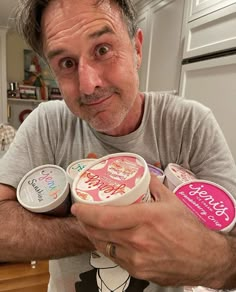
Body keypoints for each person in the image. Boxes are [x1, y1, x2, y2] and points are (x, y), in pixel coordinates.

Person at [0, 0, 236, 291]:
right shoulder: (47, 123)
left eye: (102, 50)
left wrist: (217, 260)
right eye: (66, 63)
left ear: (137, 49)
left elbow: (231, 240)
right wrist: (106, 228)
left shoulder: (190, 122)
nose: (88, 85)